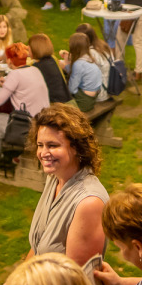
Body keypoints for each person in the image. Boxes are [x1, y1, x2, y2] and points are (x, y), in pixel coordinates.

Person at [22, 104, 108, 266]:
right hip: (38, 278)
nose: (43, 153)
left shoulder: (89, 203)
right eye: (40, 145)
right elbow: (38, 247)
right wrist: (19, 277)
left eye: (52, 145)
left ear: (76, 147)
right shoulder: (54, 178)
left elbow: (75, 275)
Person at [0, 42, 49, 169]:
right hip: (43, 123)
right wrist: (7, 83)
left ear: (9, 60)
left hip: (28, 127)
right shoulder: (35, 70)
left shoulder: (15, 74)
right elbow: (23, 86)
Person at [62, 33, 105, 112]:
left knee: (61, 103)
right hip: (93, 99)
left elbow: (72, 89)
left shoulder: (78, 64)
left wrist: (66, 65)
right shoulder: (91, 58)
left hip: (83, 102)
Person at [29, 34, 72, 106]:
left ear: (34, 49)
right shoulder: (52, 59)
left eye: (29, 48)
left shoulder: (36, 68)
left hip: (55, 106)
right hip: (66, 100)